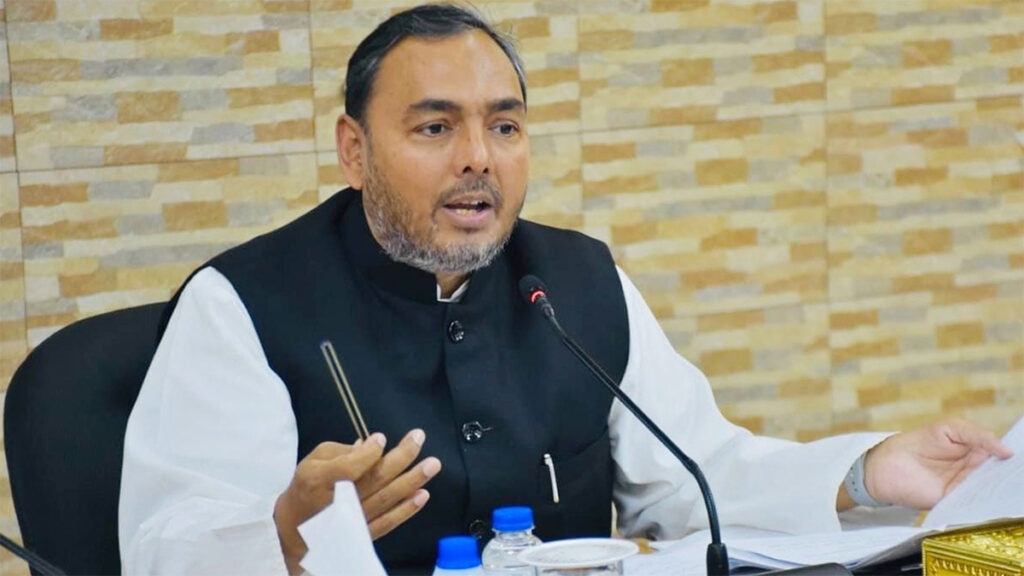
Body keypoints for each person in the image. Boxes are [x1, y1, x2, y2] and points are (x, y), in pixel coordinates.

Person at [118, 3, 1012, 575]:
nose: (478, 157)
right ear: (354, 150)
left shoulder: (578, 281)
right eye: (435, 128)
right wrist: (282, 534)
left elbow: (694, 479)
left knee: (983, 566)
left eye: (504, 127)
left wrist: (865, 472)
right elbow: (165, 546)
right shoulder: (242, 304)